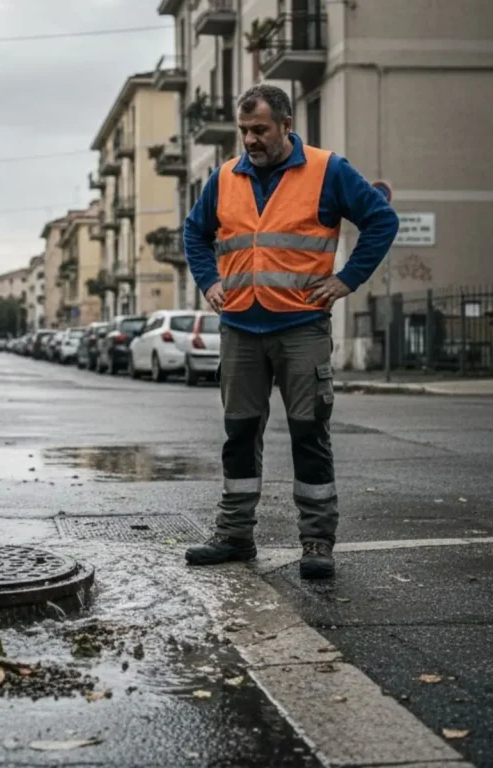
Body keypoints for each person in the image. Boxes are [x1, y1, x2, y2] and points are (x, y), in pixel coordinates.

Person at [183, 84, 399, 579]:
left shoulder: (327, 170)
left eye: (259, 130)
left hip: (301, 326)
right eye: (243, 131)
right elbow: (195, 234)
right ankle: (235, 536)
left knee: (308, 433)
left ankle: (317, 541)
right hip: (240, 325)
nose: (250, 140)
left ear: (285, 124)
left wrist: (347, 280)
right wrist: (208, 281)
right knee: (239, 434)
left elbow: (381, 220)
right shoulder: (223, 178)